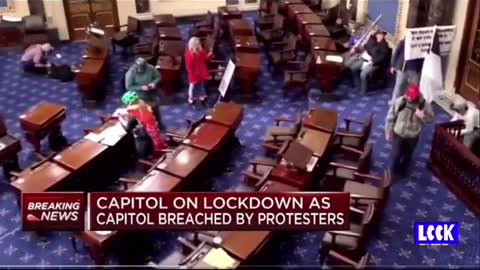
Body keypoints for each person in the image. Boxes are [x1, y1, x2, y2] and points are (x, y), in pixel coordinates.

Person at [385, 84, 434, 177]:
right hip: (399, 133)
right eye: (409, 96)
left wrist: (422, 116)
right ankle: (393, 174)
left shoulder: (424, 105)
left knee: (407, 156)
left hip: (413, 136)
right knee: (396, 155)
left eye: (413, 97)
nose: (410, 99)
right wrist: (388, 131)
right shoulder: (400, 101)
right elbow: (390, 117)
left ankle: (403, 171)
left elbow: (431, 119)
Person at [120, 91, 167, 158]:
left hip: (148, 129)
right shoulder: (141, 103)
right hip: (152, 125)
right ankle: (160, 147)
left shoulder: (133, 110)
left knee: (144, 140)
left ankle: (152, 154)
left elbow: (128, 126)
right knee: (156, 138)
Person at [125, 57, 164, 129]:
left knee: (155, 110)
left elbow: (158, 77)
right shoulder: (130, 73)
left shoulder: (151, 68)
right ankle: (145, 127)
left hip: (152, 94)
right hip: (140, 97)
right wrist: (141, 87)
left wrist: (153, 83)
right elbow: (128, 87)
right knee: (142, 113)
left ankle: (158, 123)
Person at [346, 30, 390, 94]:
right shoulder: (372, 40)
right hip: (365, 59)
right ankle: (357, 84)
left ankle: (363, 90)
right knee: (353, 68)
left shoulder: (385, 45)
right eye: (378, 34)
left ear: (384, 36)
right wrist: (356, 50)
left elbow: (382, 57)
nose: (379, 36)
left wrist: (374, 61)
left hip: (375, 63)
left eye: (381, 35)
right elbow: (365, 47)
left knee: (363, 74)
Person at [389, 39, 424, 105]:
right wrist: (393, 65)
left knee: (414, 88)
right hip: (403, 67)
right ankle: (394, 103)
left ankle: (412, 105)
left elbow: (423, 56)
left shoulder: (422, 43)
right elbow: (396, 52)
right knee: (399, 86)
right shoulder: (404, 41)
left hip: (415, 69)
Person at [185, 36, 213, 107]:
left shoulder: (200, 51)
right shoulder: (189, 55)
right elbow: (189, 67)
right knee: (193, 88)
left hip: (202, 72)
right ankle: (191, 101)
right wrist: (193, 76)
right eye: (197, 44)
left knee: (202, 87)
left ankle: (202, 99)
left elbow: (205, 58)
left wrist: (209, 55)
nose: (199, 45)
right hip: (194, 75)